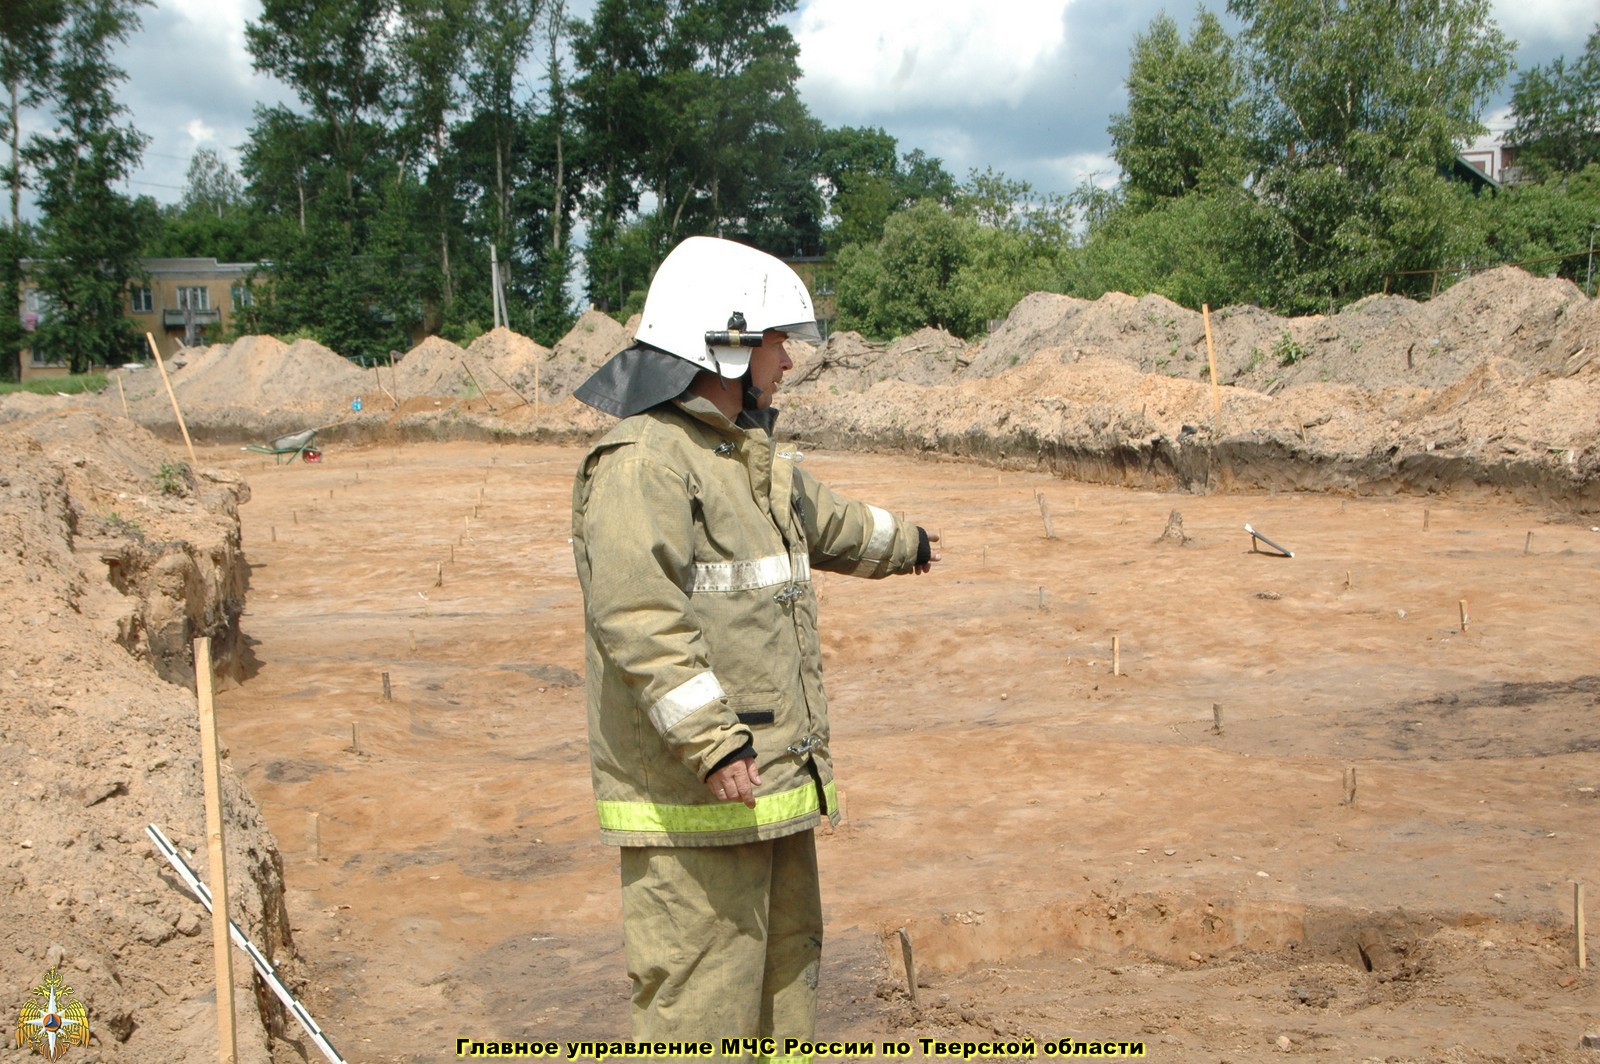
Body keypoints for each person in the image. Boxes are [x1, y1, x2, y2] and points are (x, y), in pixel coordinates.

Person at [570, 235, 940, 1056]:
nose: (788, 361)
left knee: (785, 982)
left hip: (768, 784)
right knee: (700, 1008)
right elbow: (638, 620)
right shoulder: (644, 464)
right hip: (697, 797)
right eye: (777, 340)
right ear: (725, 342)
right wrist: (712, 741)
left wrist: (907, 542)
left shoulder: (744, 453)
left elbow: (827, 522)